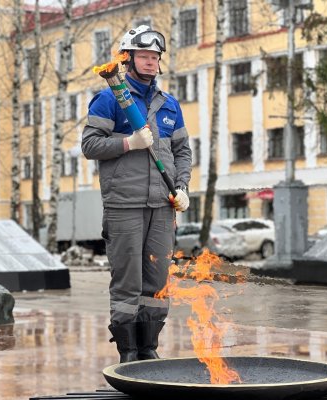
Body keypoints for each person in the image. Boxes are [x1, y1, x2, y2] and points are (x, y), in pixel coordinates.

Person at [82, 25, 192, 363]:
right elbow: (90, 145)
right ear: (128, 58)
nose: (150, 61)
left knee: (157, 281)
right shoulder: (110, 98)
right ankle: (128, 351)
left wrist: (183, 187)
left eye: (155, 56)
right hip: (124, 205)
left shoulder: (169, 104)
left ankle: (149, 346)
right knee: (127, 280)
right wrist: (128, 143)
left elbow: (182, 150)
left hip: (162, 205)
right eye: (143, 55)